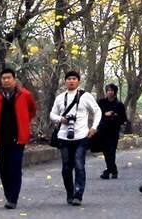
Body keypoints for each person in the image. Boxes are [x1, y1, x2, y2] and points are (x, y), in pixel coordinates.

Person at [0, 67, 40, 210]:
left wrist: (24, 121)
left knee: (15, 167)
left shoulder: (25, 95)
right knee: (3, 167)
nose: (6, 80)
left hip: (18, 138)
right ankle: (8, 194)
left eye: (9, 78)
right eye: (4, 78)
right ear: (1, 81)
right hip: (1, 138)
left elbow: (32, 109)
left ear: (14, 80)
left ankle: (13, 198)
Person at [50, 70, 101, 207]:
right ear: (65, 81)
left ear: (79, 81)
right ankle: (70, 192)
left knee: (79, 165)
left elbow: (97, 111)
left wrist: (94, 127)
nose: (71, 81)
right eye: (69, 79)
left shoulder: (86, 96)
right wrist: (62, 119)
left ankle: (78, 194)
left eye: (74, 78)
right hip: (64, 137)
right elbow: (52, 114)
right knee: (66, 168)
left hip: (81, 136)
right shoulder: (60, 97)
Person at [94, 84, 127, 179]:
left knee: (111, 151)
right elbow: (97, 115)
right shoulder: (101, 102)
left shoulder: (119, 104)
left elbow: (124, 119)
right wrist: (105, 114)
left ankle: (109, 171)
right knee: (105, 152)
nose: (109, 92)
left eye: (111, 90)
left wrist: (115, 116)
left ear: (115, 92)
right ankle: (113, 170)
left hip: (113, 131)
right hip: (103, 130)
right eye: (108, 90)